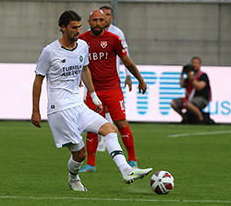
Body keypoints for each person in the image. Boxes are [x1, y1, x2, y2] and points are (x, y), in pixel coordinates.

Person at [31, 10, 152, 192]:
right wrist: (35, 110)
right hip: (60, 110)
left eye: (79, 27)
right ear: (63, 28)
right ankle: (73, 179)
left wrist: (93, 95)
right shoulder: (49, 51)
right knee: (80, 154)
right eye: (74, 28)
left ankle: (127, 170)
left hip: (78, 105)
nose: (78, 31)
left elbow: (85, 69)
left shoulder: (82, 46)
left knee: (110, 129)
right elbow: (38, 79)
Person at [79, 9, 148, 172]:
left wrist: (140, 79)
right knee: (92, 126)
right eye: (94, 20)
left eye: (100, 20)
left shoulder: (114, 39)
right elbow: (77, 64)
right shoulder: (82, 40)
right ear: (89, 22)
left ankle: (132, 161)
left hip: (112, 89)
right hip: (93, 90)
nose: (97, 23)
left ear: (105, 22)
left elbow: (127, 62)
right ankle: (91, 164)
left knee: (121, 123)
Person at [96, 5, 132, 152]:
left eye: (107, 14)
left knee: (110, 112)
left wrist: (128, 75)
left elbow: (125, 54)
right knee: (96, 110)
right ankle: (99, 141)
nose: (104, 17)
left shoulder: (117, 33)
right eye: (102, 14)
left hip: (111, 79)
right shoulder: (91, 34)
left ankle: (106, 138)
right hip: (93, 79)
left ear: (112, 17)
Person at [171, 57, 211, 124]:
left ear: (200, 64)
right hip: (190, 99)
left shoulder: (203, 75)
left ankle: (201, 119)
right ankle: (185, 118)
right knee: (174, 103)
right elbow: (182, 85)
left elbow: (199, 87)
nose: (194, 65)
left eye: (196, 63)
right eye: (193, 63)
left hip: (202, 98)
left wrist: (191, 78)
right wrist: (182, 73)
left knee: (189, 104)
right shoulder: (190, 76)